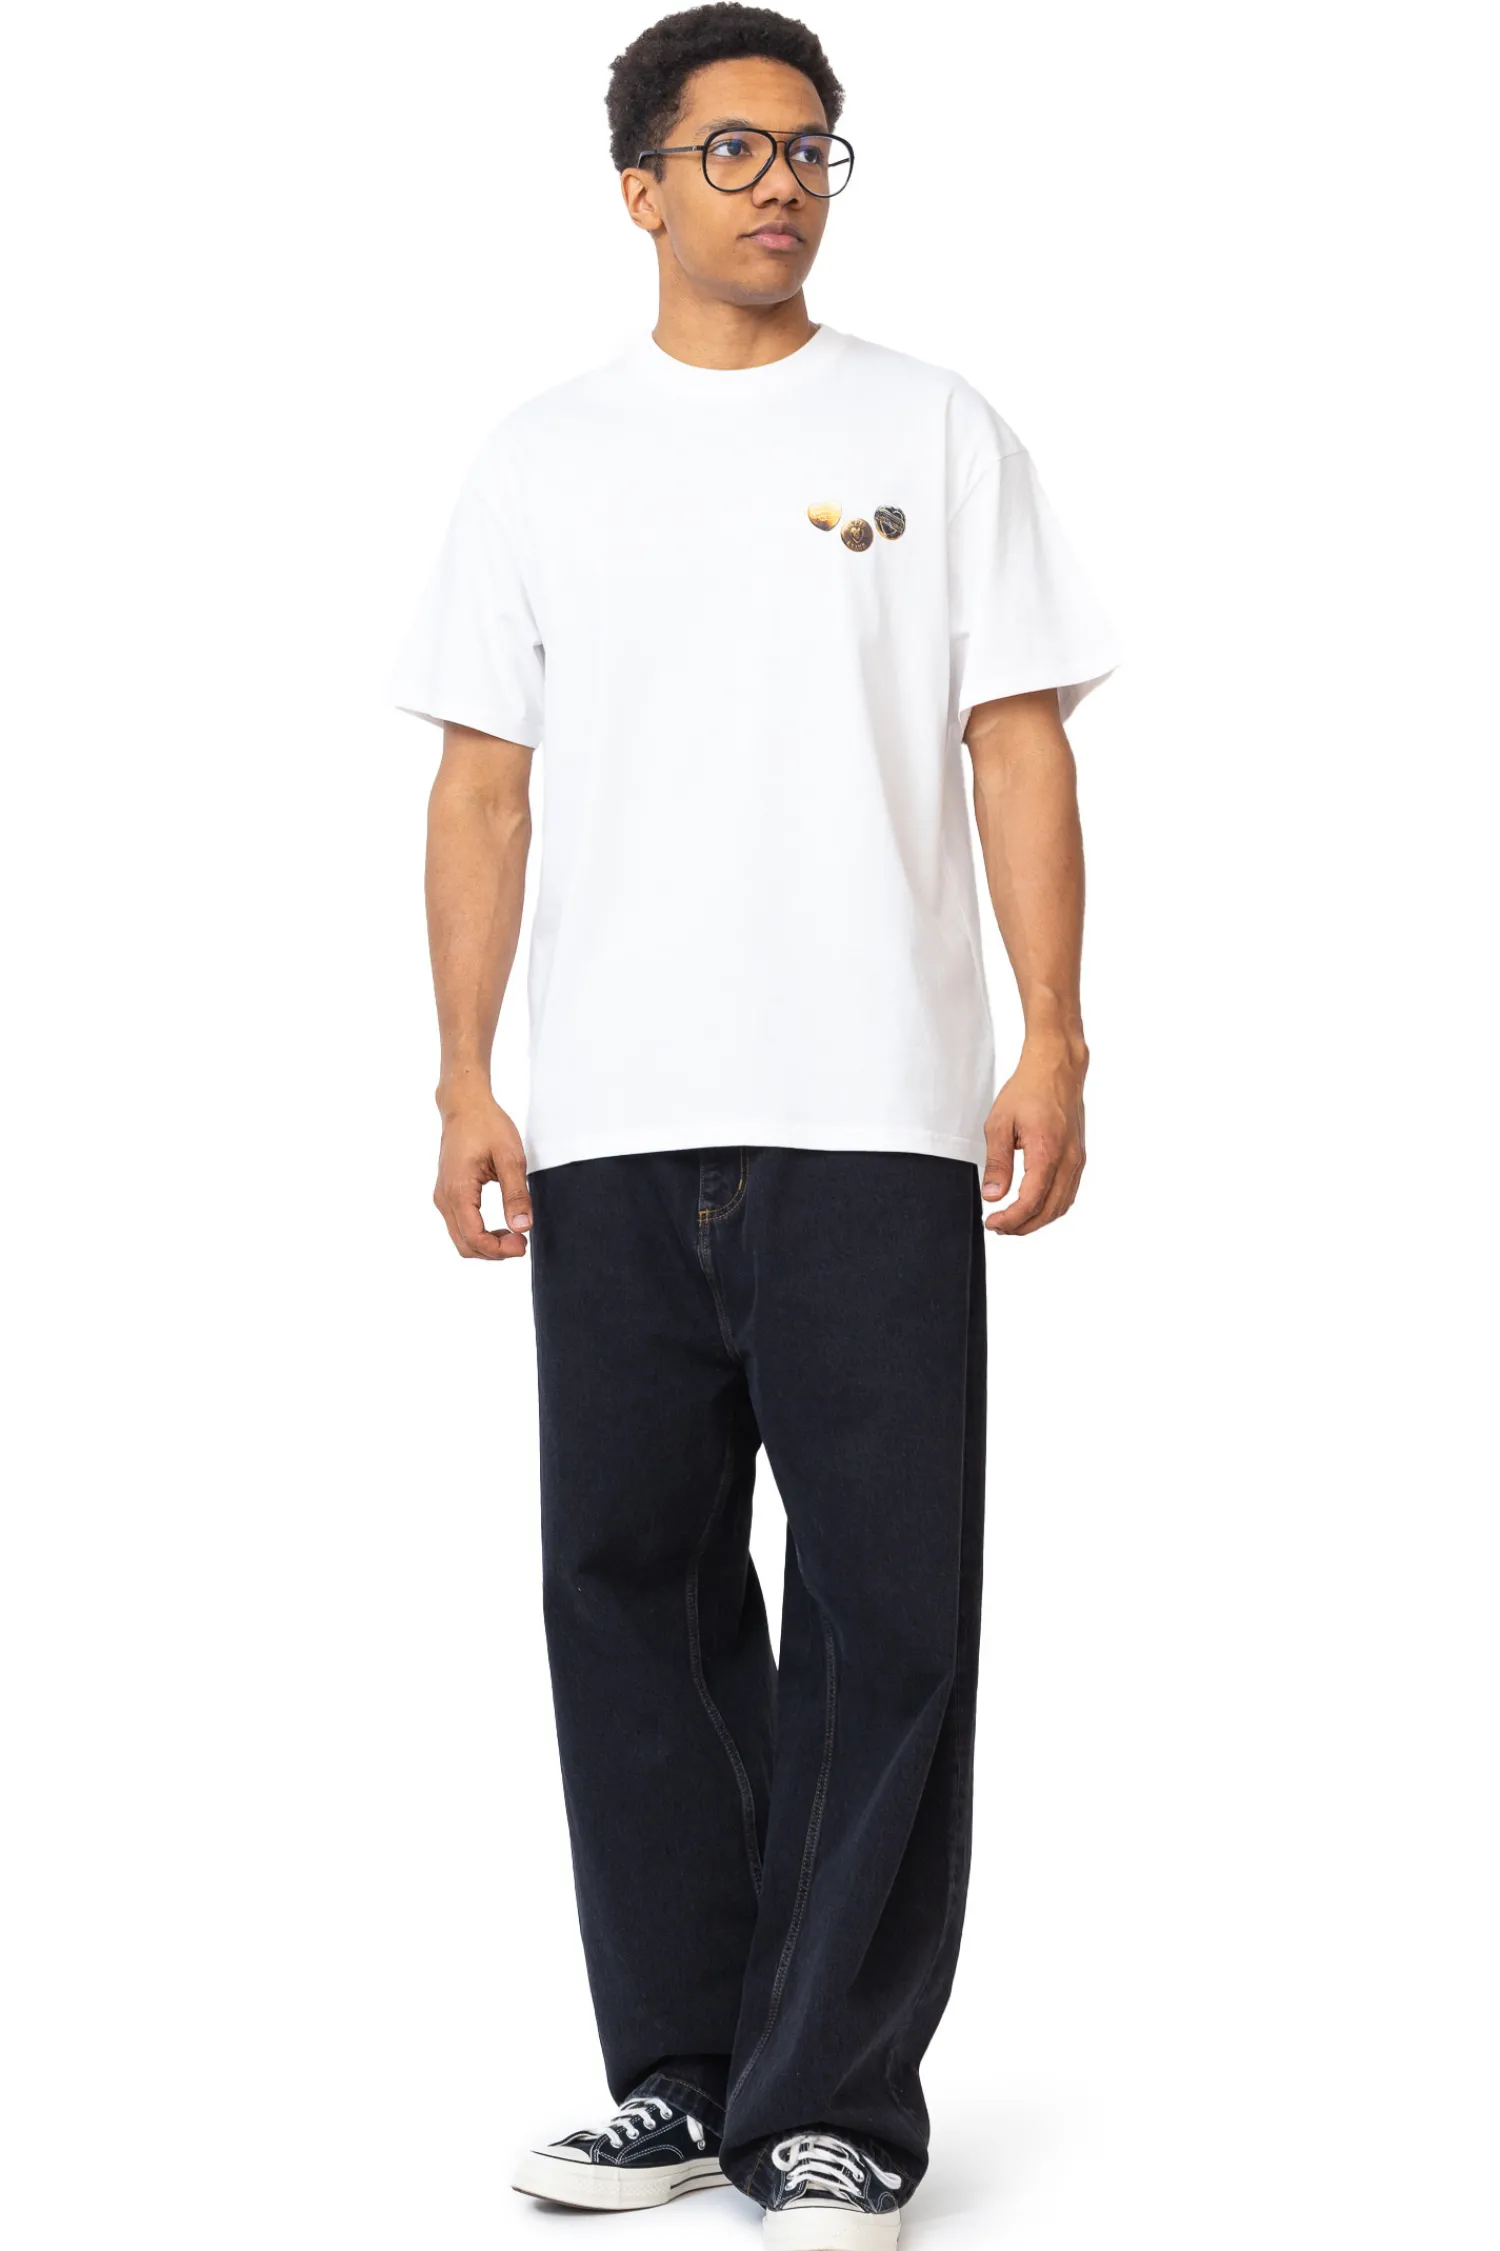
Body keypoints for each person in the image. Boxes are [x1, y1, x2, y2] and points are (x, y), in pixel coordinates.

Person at [386, 6, 1122, 2242]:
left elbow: (1015, 742)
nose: (782, 181)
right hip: (615, 1119)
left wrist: (1055, 1035)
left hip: (872, 1113)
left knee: (888, 1613)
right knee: (628, 1595)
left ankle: (836, 2107)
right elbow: (483, 789)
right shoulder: (543, 459)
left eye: (812, 148)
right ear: (639, 187)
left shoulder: (933, 428)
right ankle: (689, 2074)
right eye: (731, 149)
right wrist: (465, 1076)